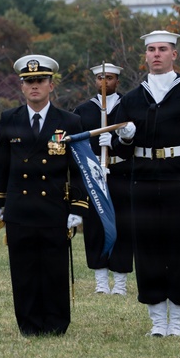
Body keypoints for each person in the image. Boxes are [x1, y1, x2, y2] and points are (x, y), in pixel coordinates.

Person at [111, 31, 180, 337]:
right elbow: (119, 152)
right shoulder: (131, 98)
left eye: (163, 49)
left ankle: (179, 323)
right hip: (142, 183)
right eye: (151, 50)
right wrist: (125, 138)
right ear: (145, 56)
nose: (156, 54)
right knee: (147, 252)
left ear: (174, 55)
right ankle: (157, 321)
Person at [0, 54, 88, 336]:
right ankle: (29, 325)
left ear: (51, 85)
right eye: (28, 81)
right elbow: (1, 165)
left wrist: (78, 208)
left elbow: (78, 169)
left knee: (54, 270)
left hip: (54, 207)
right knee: (24, 271)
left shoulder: (69, 121)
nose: (34, 86)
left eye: (40, 81)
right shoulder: (10, 119)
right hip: (20, 208)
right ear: (21, 87)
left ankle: (56, 325)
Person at [73, 63, 133, 295]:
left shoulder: (128, 106)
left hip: (121, 172)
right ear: (94, 81)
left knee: (122, 225)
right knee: (96, 225)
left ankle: (119, 283)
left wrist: (117, 143)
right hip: (93, 172)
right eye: (100, 78)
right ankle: (100, 281)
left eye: (109, 78)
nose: (104, 82)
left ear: (117, 80)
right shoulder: (83, 110)